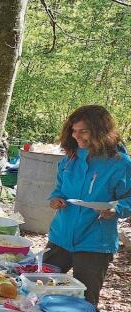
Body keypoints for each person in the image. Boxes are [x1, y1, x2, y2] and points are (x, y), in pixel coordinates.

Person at [44, 105, 131, 307]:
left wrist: (116, 209)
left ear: (101, 131)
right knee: (40, 291)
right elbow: (59, 188)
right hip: (60, 237)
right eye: (74, 131)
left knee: (84, 301)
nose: (77, 136)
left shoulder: (121, 164)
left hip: (95, 244)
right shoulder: (70, 158)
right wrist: (55, 199)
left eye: (84, 131)